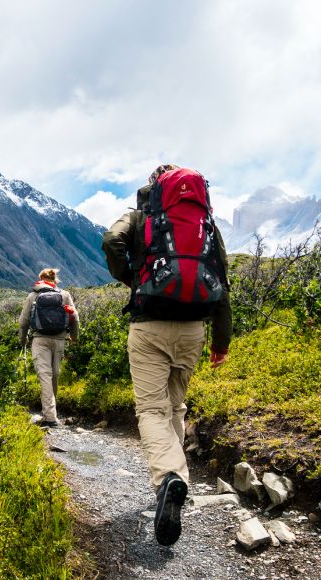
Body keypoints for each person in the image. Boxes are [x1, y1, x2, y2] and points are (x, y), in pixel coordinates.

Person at [101, 164, 232, 546]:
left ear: (155, 186)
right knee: (175, 406)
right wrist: (221, 343)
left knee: (151, 410)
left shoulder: (142, 215)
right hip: (194, 328)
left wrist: (132, 277)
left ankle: (168, 479)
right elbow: (221, 280)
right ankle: (176, 481)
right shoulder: (205, 223)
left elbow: (111, 241)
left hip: (150, 325)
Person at [19, 268, 79, 427]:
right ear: (55, 279)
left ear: (40, 279)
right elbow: (75, 317)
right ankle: (51, 413)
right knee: (54, 375)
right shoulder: (64, 295)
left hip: (40, 340)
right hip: (59, 340)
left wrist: (23, 339)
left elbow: (23, 321)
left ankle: (50, 417)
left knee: (44, 375)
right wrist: (74, 337)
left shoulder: (33, 295)